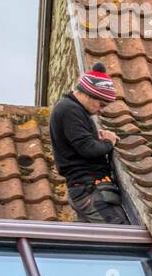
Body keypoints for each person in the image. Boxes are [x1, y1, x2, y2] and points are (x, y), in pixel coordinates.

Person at [49, 63, 129, 224]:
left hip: (84, 189)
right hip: (89, 189)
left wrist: (95, 137)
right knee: (119, 235)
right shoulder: (69, 110)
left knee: (98, 243)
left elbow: (81, 143)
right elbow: (88, 149)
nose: (101, 110)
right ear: (89, 95)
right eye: (101, 104)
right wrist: (108, 142)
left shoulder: (72, 109)